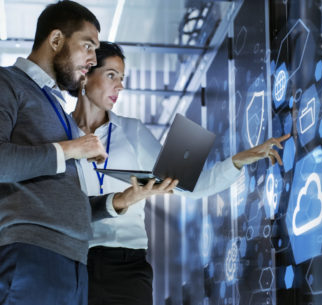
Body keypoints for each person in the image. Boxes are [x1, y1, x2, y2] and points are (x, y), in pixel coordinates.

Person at [70, 41, 290, 305]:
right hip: (74, 261)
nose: (120, 86)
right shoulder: (59, 133)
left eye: (122, 78)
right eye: (111, 75)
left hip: (127, 265)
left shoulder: (132, 131)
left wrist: (238, 161)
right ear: (86, 75)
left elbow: (191, 186)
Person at [0, 2, 135, 305]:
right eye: (88, 46)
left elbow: (58, 198)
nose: (92, 59)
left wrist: (118, 202)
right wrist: (75, 147)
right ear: (57, 40)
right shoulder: (7, 82)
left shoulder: (56, 107)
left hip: (73, 262)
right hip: (31, 256)